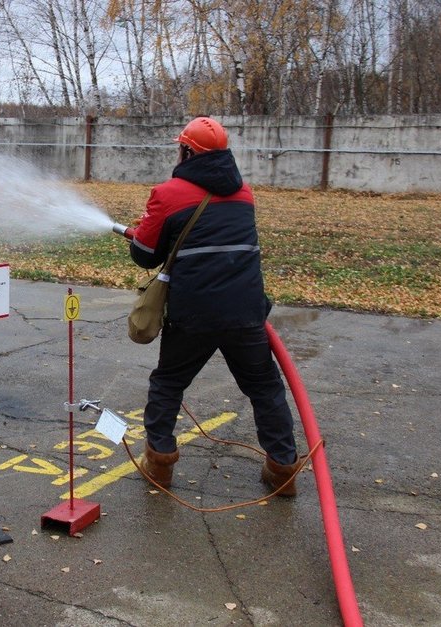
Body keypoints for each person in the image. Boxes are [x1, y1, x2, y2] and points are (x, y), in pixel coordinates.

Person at [127, 116, 304, 495]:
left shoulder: (168, 193)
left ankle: (159, 463)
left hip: (194, 314)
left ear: (187, 151)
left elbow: (145, 255)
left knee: (168, 383)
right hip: (246, 311)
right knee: (265, 388)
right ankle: (283, 469)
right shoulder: (244, 194)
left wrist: (141, 231)